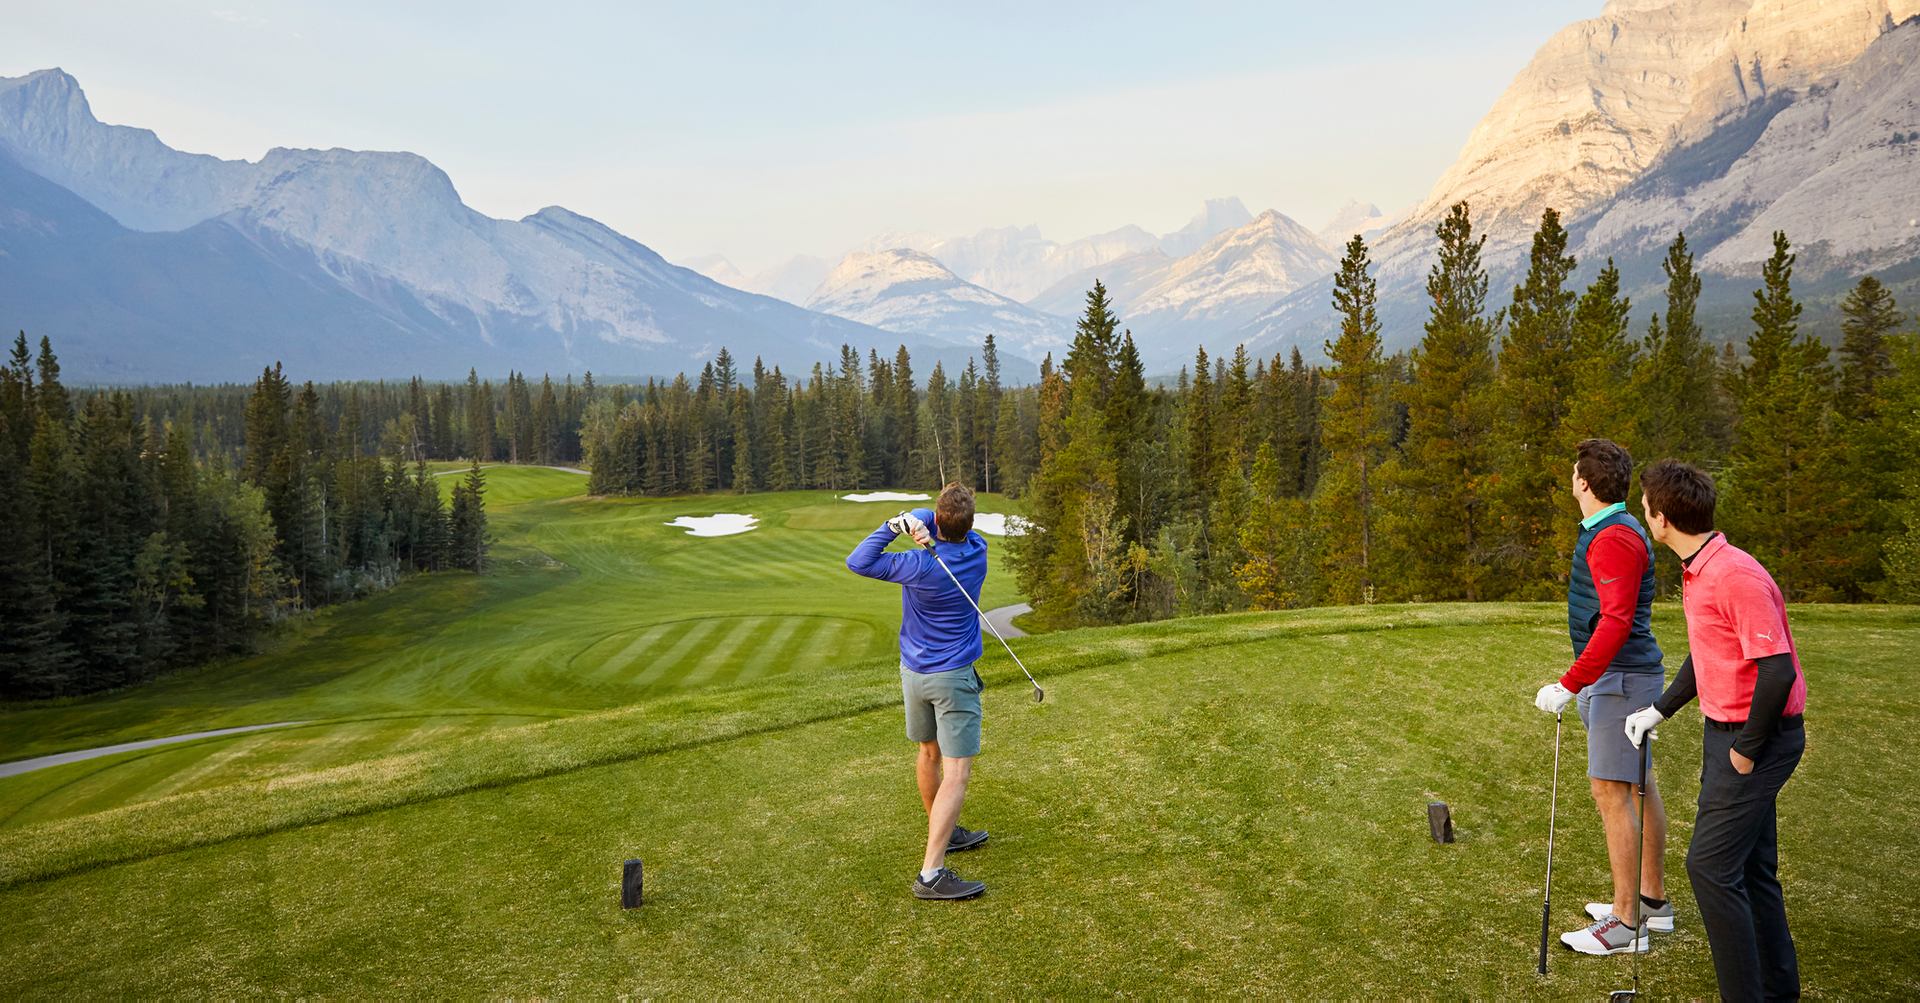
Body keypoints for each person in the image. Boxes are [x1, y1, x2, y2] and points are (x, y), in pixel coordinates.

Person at [1624, 460, 1808, 1001]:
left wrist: (1745, 752)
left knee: (1709, 867)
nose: (1645, 515)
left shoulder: (1733, 575)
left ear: (1662, 518)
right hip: (1727, 732)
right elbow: (1710, 651)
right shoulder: (1701, 568)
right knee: (1752, 869)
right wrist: (1660, 709)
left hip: (1756, 738)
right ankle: (1777, 991)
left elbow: (1777, 670)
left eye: (1646, 508)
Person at [1533, 439, 1671, 955]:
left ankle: (1626, 923)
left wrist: (1570, 683)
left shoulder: (1613, 537)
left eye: (1575, 472)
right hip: (1618, 677)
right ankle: (1652, 904)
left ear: (1584, 483)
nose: (1572, 479)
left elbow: (1614, 622)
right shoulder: (1612, 528)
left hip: (1621, 679)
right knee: (1637, 786)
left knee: (1612, 792)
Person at [845, 482, 993, 901]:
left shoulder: (917, 564)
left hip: (914, 675)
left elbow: (858, 561)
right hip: (953, 679)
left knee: (929, 754)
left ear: (937, 519)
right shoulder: (977, 551)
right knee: (957, 773)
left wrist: (899, 524)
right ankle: (931, 874)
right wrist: (925, 525)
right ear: (968, 525)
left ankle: (943, 831)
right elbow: (952, 524)